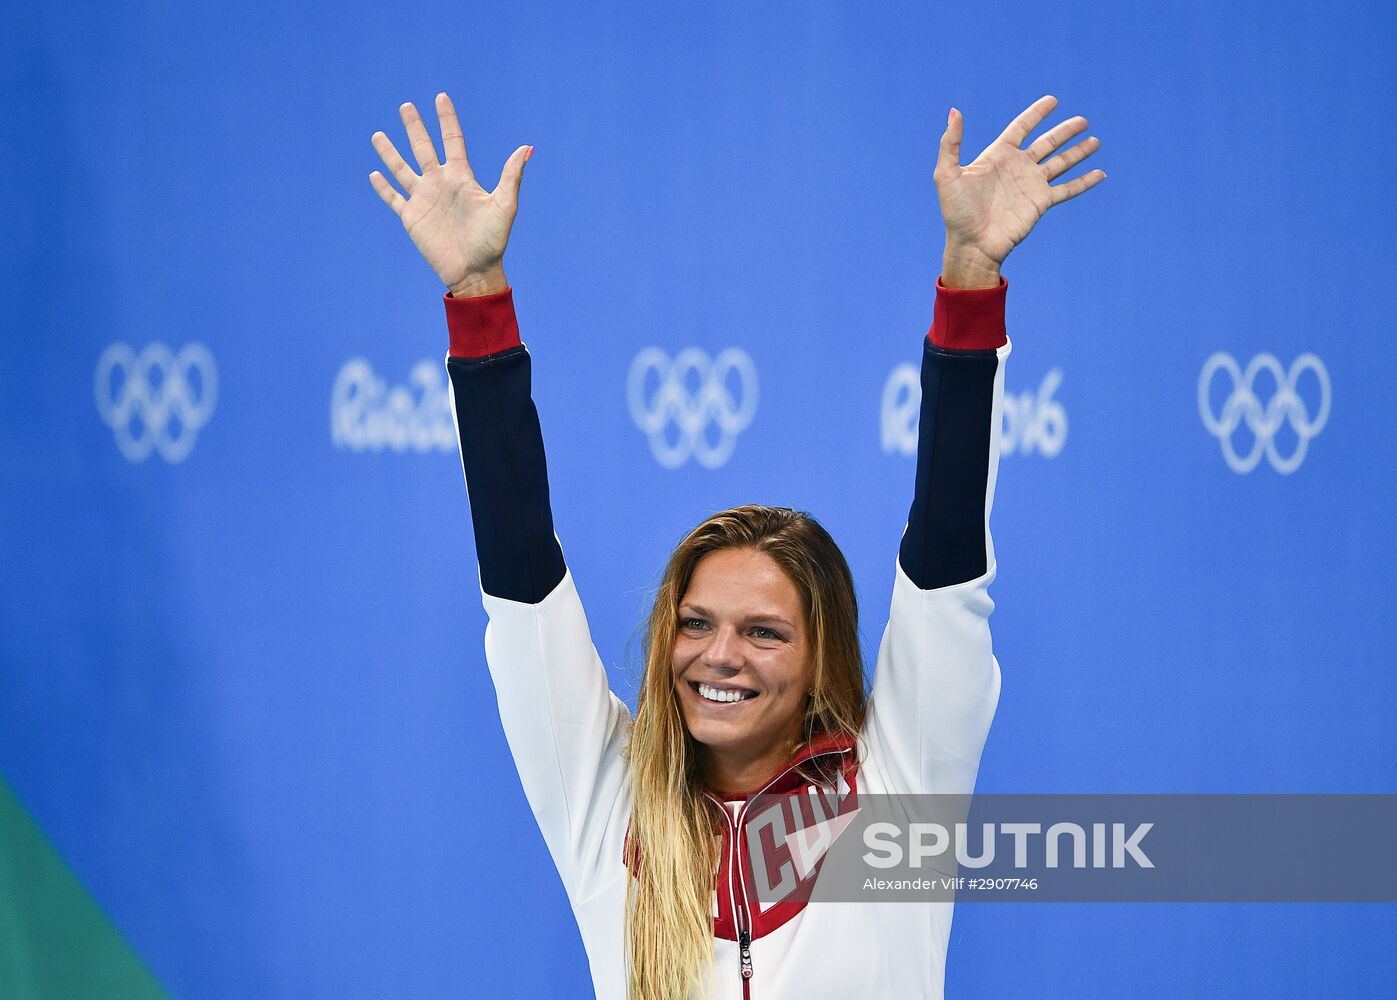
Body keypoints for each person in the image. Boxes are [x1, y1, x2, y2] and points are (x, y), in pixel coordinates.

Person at [369, 92, 1104, 1000]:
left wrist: (969, 275)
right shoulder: (608, 804)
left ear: (819, 652)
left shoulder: (902, 786)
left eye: (763, 631)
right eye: (696, 622)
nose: (719, 654)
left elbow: (946, 558)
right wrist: (477, 298)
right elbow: (521, 582)